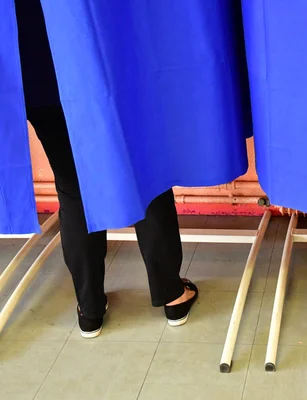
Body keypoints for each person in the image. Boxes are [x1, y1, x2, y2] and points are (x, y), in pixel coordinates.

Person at [15, 0, 198, 338]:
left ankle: (90, 310)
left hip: (39, 73)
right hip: (112, 64)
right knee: (147, 175)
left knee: (73, 189)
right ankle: (172, 295)